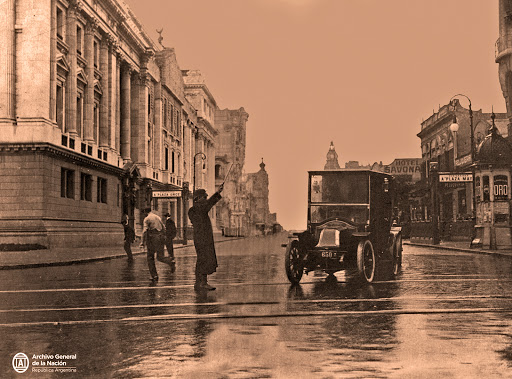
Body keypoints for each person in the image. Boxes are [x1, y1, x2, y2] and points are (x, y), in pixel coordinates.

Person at [188, 184, 224, 290]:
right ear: (198, 199)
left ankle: (200, 282)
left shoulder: (197, 209)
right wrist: (217, 193)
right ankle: (202, 283)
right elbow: (208, 204)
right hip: (202, 239)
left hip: (203, 239)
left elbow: (207, 205)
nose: (206, 198)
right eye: (204, 197)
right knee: (203, 260)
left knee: (203, 260)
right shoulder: (196, 209)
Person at [142, 207, 173, 281]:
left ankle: (154, 276)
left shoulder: (147, 219)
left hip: (152, 238)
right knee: (160, 257)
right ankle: (170, 261)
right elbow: (164, 228)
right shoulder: (158, 217)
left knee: (150, 257)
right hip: (160, 237)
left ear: (145, 212)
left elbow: (144, 231)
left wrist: (142, 242)